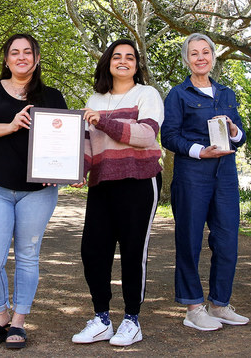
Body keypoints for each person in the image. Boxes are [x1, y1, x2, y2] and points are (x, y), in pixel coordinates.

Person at [0, 33, 67, 349]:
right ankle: (0, 312)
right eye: (14, 52)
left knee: (27, 256)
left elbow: (65, 144)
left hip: (37, 192)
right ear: (7, 59)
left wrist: (62, 171)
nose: (21, 57)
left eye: (28, 52)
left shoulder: (52, 96)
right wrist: (10, 125)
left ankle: (18, 321)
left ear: (37, 58)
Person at [70, 39, 163, 347]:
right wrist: (78, 172)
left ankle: (132, 320)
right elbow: (87, 142)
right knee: (93, 251)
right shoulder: (94, 98)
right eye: (117, 56)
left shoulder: (147, 94)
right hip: (102, 182)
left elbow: (146, 135)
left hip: (139, 179)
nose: (123, 61)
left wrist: (104, 121)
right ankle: (102, 319)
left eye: (130, 57)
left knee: (133, 251)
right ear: (108, 62)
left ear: (137, 64)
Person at [161, 33, 249, 331]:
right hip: (192, 174)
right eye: (194, 53)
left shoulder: (226, 93)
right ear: (187, 59)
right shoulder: (178, 94)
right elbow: (169, 136)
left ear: (213, 57)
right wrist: (200, 151)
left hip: (225, 174)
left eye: (205, 52)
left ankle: (220, 304)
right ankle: (194, 307)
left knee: (227, 240)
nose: (201, 58)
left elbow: (240, 137)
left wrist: (235, 130)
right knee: (189, 240)